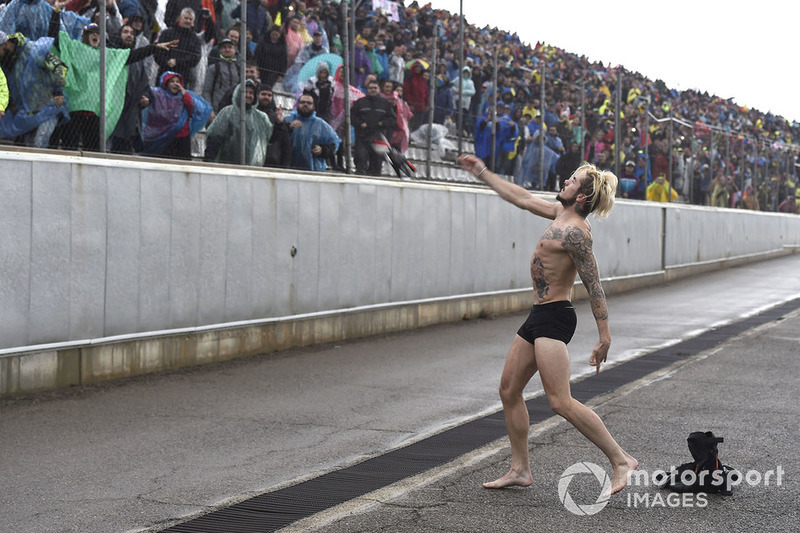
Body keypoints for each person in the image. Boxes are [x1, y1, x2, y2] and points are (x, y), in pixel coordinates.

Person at [457, 153, 638, 495]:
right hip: (538, 314)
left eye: (572, 180)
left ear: (581, 196)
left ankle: (620, 459)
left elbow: (593, 284)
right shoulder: (559, 214)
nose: (565, 181)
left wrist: (604, 337)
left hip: (556, 318)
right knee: (509, 390)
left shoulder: (577, 233)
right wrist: (482, 171)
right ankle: (520, 469)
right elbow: (522, 198)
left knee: (560, 401)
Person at [0, 30, 69, 147]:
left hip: (49, 106)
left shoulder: (33, 50)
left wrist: (58, 90)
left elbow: (59, 66)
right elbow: (9, 85)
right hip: (28, 112)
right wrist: (12, 103)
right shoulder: (7, 61)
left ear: (5, 44)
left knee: (40, 141)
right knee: (28, 145)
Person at [140, 71, 212, 159]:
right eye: (172, 81)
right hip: (163, 136)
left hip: (181, 135)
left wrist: (184, 93)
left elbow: (192, 108)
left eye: (177, 82)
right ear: (166, 83)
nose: (175, 84)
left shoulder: (184, 96)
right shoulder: (158, 94)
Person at [204, 79, 272, 166]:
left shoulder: (261, 117)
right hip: (226, 165)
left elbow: (270, 136)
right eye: (245, 92)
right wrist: (209, 161)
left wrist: (279, 123)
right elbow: (214, 137)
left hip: (251, 169)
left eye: (251, 93)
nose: (248, 95)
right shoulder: (227, 112)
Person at [350, 78, 396, 176]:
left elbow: (392, 119)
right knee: (361, 158)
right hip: (362, 136)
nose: (373, 90)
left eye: (375, 88)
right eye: (370, 88)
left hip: (378, 137)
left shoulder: (385, 104)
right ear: (367, 89)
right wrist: (360, 124)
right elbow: (352, 117)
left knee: (376, 163)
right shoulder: (360, 102)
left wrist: (382, 123)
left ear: (379, 89)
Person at [285, 89, 340, 171]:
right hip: (288, 168)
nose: (305, 105)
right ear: (298, 105)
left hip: (314, 171)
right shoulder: (288, 120)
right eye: (302, 102)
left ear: (314, 107)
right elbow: (277, 137)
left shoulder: (321, 124)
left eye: (309, 103)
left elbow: (334, 143)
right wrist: (288, 128)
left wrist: (322, 150)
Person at [203, 37, 241, 115]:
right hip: (217, 110)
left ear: (235, 50)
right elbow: (206, 90)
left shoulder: (239, 69)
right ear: (220, 50)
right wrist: (210, 110)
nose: (227, 50)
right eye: (224, 47)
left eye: (230, 47)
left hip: (234, 110)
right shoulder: (213, 68)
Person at [257, 84, 291, 168]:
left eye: (269, 95)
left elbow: (283, 141)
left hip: (271, 161)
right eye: (263, 94)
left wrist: (280, 123)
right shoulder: (252, 113)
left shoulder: (274, 115)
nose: (266, 97)